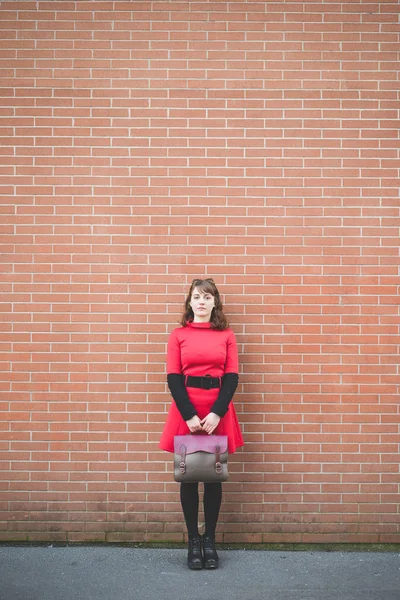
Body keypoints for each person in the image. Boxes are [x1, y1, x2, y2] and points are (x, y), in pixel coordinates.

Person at [160, 278, 243, 570]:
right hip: (188, 411)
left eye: (207, 297)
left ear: (214, 303)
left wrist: (217, 413)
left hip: (217, 412)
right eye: (196, 296)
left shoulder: (226, 335)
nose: (201, 302)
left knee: (213, 475)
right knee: (189, 474)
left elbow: (232, 376)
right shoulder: (178, 335)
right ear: (190, 302)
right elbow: (172, 377)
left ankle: (210, 540)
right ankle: (193, 541)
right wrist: (189, 415)